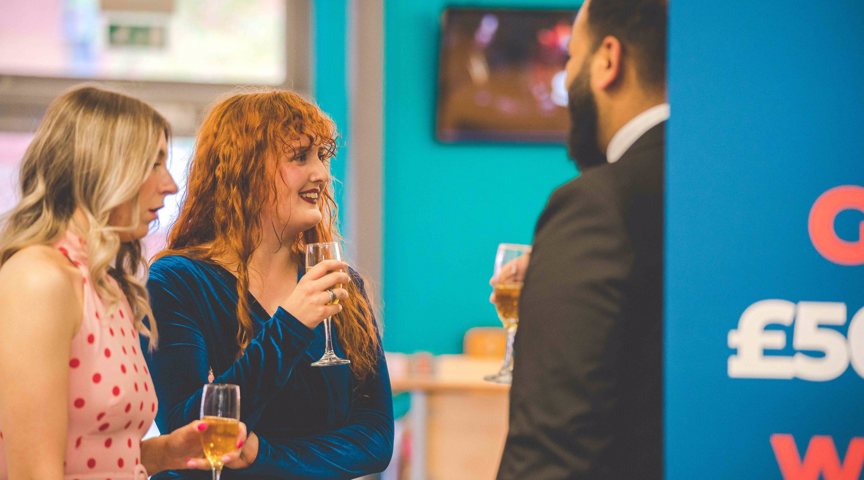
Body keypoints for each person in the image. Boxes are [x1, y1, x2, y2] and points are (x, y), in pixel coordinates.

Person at [143, 90, 394, 479]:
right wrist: (290, 325)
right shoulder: (177, 281)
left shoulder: (341, 284)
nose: (323, 174)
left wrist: (262, 454)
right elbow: (186, 432)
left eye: (322, 156)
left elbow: (375, 440)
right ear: (244, 170)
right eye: (300, 156)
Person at [0, 85, 246, 479]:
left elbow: (91, 459)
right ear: (98, 168)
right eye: (152, 164)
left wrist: (167, 452)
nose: (170, 184)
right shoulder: (39, 279)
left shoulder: (104, 283)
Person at [495, 0, 668, 478]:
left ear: (608, 60)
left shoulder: (597, 203)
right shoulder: (729, 187)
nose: (566, 80)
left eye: (571, 57)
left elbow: (551, 449)